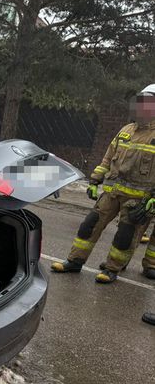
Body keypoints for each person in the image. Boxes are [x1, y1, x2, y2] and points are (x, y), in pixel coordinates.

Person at [52, 84, 155, 283]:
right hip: (111, 192)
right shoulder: (126, 130)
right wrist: (94, 180)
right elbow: (108, 158)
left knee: (125, 237)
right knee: (89, 226)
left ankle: (112, 269)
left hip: (138, 199)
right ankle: (74, 261)